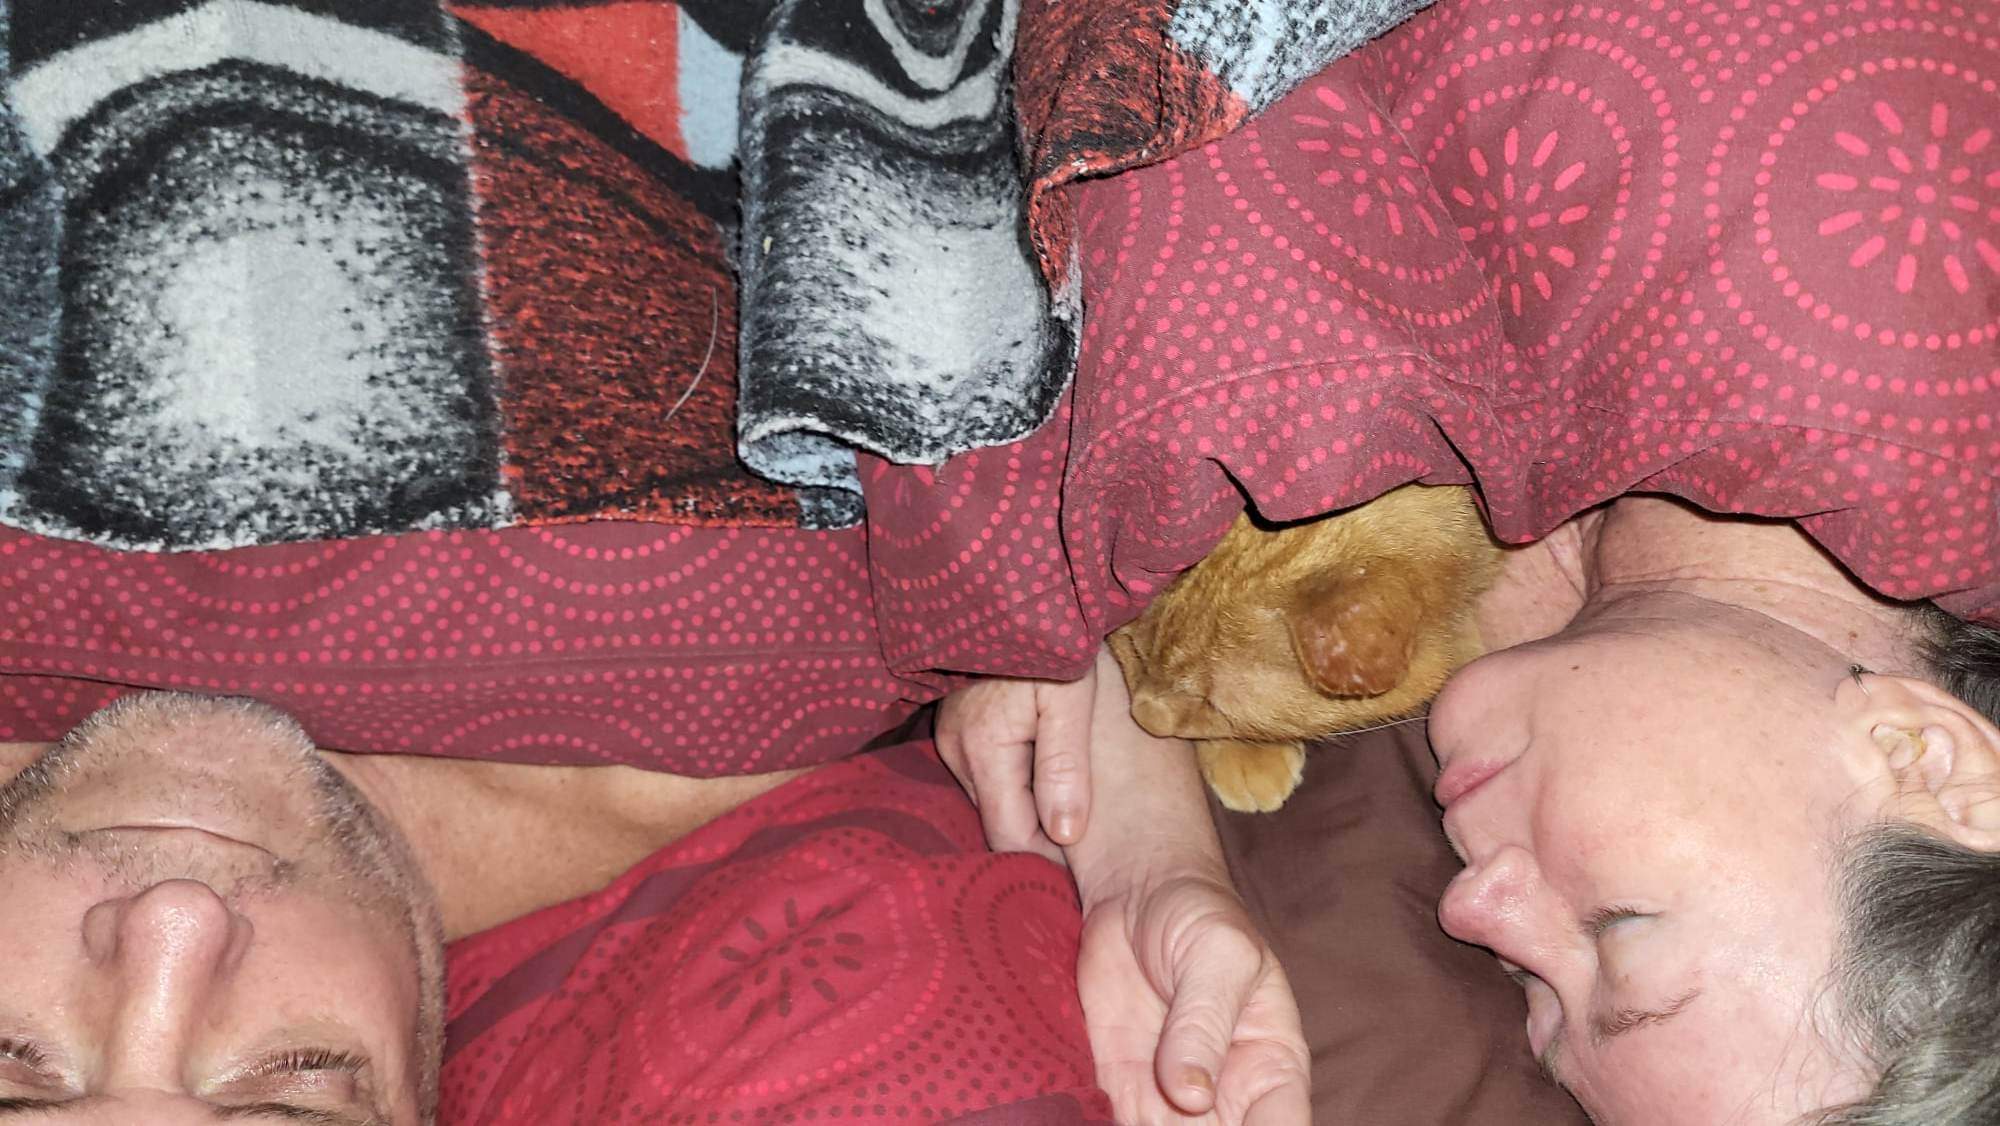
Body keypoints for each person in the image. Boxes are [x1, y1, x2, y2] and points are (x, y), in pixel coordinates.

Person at [940, 494, 2000, 1125]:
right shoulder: (1852, 303)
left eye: (1537, 996)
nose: (1470, 910)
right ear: (1922, 756)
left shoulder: (1537, 655)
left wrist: (1151, 862)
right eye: (1616, 929)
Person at [0, 677, 1309, 1123]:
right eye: (291, 1091)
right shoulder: (749, 716)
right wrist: (1132, 813)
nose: (174, 919)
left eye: (14, 1068)